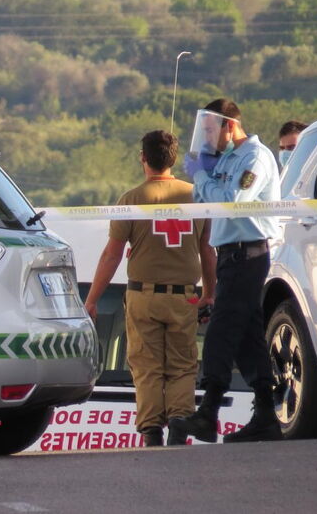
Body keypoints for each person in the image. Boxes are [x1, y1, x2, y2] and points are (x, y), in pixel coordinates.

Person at [84, 130, 216, 447]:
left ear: (143, 158)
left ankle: (151, 428)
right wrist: (210, 293)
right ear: (174, 159)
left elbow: (112, 255)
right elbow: (207, 250)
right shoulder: (197, 196)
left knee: (146, 365)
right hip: (184, 296)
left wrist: (91, 300)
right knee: (183, 365)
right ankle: (181, 419)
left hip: (143, 295)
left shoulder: (130, 199)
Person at [170, 99, 282, 444]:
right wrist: (208, 175)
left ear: (229, 126)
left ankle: (209, 413)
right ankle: (265, 414)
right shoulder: (230, 159)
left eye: (209, 130)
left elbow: (234, 200)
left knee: (219, 332)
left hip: (246, 254)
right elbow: (212, 201)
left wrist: (202, 175)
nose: (206, 139)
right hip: (232, 255)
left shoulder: (254, 158)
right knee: (247, 337)